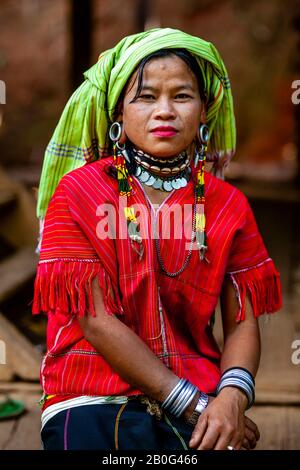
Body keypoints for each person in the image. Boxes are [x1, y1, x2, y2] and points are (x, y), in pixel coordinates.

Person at [32, 28, 282, 451]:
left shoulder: (229, 206)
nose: (164, 111)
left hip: (200, 393)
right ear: (118, 114)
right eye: (146, 97)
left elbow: (242, 321)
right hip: (90, 394)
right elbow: (96, 322)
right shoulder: (77, 194)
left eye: (181, 96)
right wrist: (193, 406)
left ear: (205, 110)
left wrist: (232, 400)